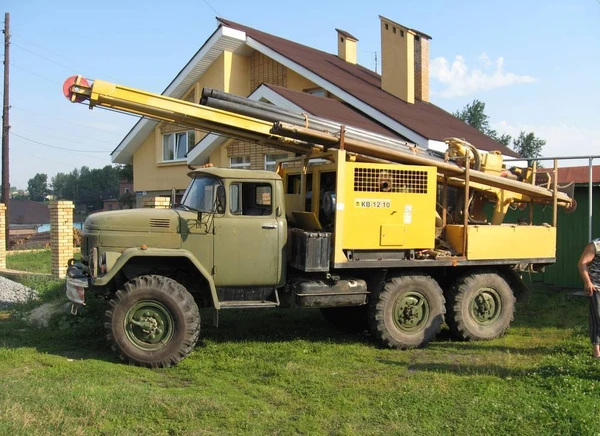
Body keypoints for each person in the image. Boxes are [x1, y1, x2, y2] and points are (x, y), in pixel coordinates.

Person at [577, 238, 600, 359]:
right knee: (598, 318)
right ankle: (597, 351)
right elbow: (582, 263)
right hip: (596, 287)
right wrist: (587, 282)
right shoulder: (596, 245)